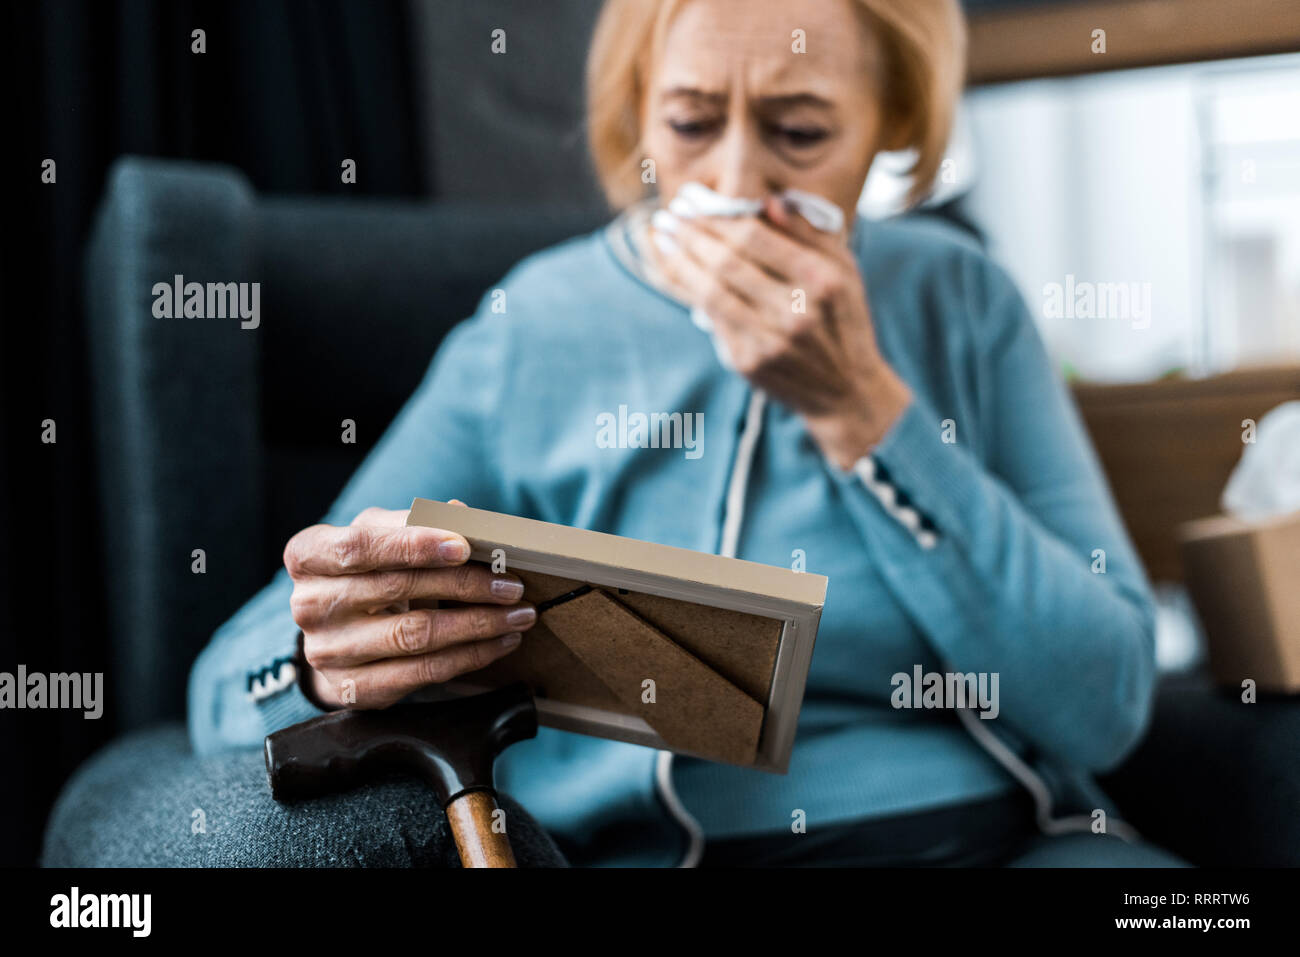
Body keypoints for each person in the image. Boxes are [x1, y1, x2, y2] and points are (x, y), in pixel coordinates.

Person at [189, 0, 1183, 867]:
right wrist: (329, 662)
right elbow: (229, 683)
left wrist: (862, 411)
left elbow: (1104, 702)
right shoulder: (536, 327)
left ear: (892, 126)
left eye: (799, 131)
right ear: (637, 116)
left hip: (994, 842)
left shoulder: (959, 300)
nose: (736, 178)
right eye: (691, 122)